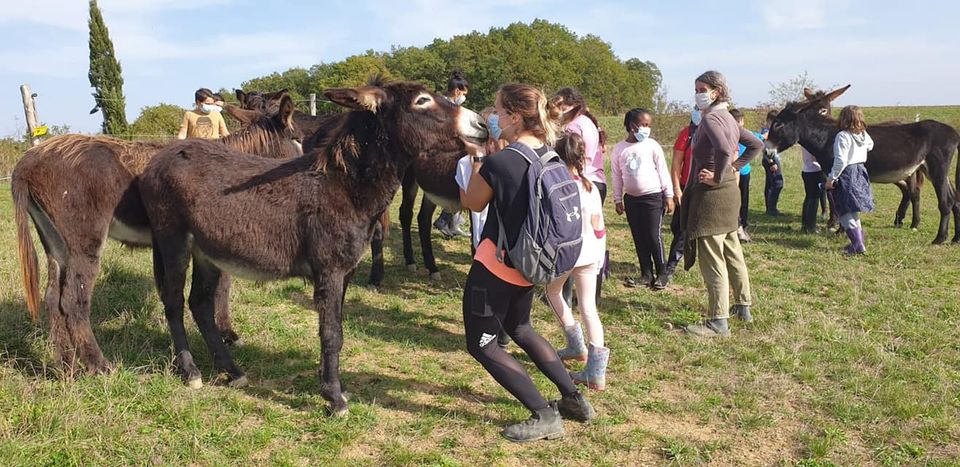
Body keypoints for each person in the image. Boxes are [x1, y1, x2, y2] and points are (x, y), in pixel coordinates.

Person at [461, 83, 595, 442]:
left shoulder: (501, 162)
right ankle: (574, 398)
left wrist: (477, 156)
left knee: (483, 345)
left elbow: (472, 202)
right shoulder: (549, 153)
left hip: (496, 267)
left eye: (499, 111)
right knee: (521, 328)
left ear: (515, 116)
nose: (494, 117)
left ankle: (543, 414)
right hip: (533, 263)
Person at [680, 70, 762, 338]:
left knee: (713, 258)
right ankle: (743, 306)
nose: (698, 94)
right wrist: (733, 171)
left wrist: (717, 175)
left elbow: (725, 151)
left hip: (712, 197)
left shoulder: (713, 118)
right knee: (733, 252)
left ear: (716, 91)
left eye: (702, 89)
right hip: (729, 195)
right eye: (696, 89)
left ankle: (718, 321)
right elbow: (755, 145)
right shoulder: (728, 117)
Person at [544, 133, 609, 390]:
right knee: (589, 308)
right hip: (592, 251)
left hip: (568, 253)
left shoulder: (557, 187)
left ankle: (574, 343)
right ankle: (596, 371)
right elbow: (598, 224)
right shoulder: (590, 185)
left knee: (552, 292)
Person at [553, 87, 608, 306]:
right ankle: (591, 293)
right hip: (594, 183)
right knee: (592, 236)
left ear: (571, 105)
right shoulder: (588, 122)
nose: (558, 111)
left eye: (560, 106)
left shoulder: (573, 126)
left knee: (569, 236)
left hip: (577, 181)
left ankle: (564, 292)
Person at [611, 108, 674, 289]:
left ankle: (662, 273)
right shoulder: (619, 149)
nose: (647, 129)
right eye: (644, 125)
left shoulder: (652, 145)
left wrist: (668, 195)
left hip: (653, 197)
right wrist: (617, 199)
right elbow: (617, 176)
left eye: (649, 125)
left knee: (653, 235)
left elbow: (663, 171)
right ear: (632, 126)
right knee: (639, 237)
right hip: (632, 200)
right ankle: (646, 273)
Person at [826, 105, 874, 254]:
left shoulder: (842, 136)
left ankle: (857, 245)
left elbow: (841, 160)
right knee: (853, 209)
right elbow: (870, 146)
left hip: (847, 173)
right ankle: (858, 242)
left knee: (844, 209)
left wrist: (831, 178)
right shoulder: (864, 134)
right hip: (860, 170)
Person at [660, 109, 700, 288]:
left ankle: (670, 267)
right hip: (685, 187)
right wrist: (676, 188)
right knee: (678, 227)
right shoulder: (687, 133)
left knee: (689, 231)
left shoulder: (720, 130)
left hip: (707, 189)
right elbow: (677, 162)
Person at [435, 70, 472, 238]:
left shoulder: (452, 106)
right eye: (464, 94)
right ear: (457, 92)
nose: (464, 97)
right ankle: (444, 220)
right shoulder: (442, 106)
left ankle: (453, 223)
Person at [728, 109, 753, 243]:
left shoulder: (747, 135)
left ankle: (743, 226)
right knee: (733, 201)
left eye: (740, 121)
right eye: (736, 121)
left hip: (744, 173)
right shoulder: (728, 134)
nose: (739, 124)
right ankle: (733, 226)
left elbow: (760, 141)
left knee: (744, 200)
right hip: (731, 174)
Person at [759, 111, 785, 218]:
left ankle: (770, 208)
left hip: (771, 159)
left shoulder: (768, 131)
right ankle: (772, 209)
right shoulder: (766, 133)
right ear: (769, 121)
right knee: (778, 183)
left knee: (770, 184)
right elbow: (766, 149)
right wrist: (772, 162)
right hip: (770, 159)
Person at [800, 145, 826, 233]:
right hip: (815, 171)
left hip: (807, 170)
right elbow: (817, 156)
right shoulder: (811, 144)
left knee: (809, 197)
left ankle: (805, 224)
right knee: (814, 199)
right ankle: (811, 227)